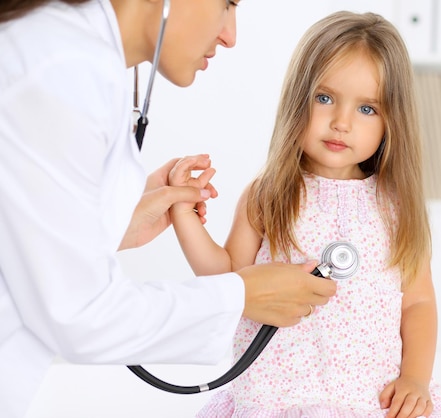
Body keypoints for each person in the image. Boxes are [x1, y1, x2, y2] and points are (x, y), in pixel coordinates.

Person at [0, 1, 337, 417]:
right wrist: (241, 295)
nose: (230, 36)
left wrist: (112, 222)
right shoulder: (59, 67)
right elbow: (79, 316)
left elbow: (21, 232)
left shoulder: (77, 60)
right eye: (226, 5)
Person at [169, 11, 441, 418]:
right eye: (324, 98)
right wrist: (184, 214)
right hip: (279, 399)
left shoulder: (396, 207)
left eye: (367, 109)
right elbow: (229, 282)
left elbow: (418, 303)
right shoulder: (269, 195)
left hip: (370, 400)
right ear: (298, 99)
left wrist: (414, 378)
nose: (341, 122)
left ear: (391, 120)